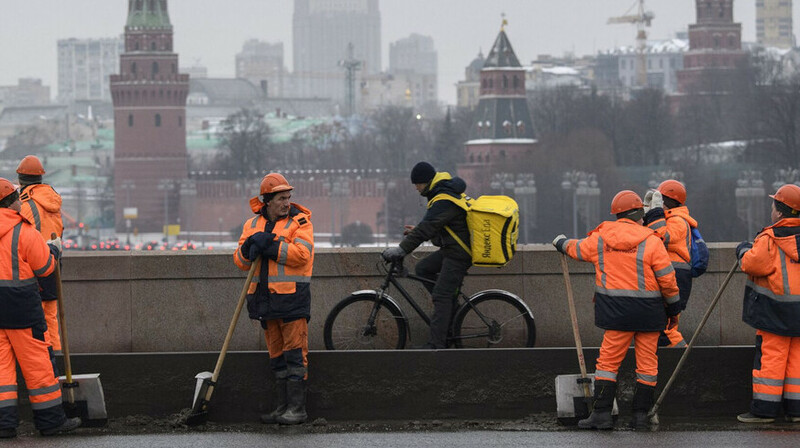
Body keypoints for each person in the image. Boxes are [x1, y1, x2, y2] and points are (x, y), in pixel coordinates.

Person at [553, 190, 681, 430]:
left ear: (617, 215)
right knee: (647, 365)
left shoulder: (602, 237)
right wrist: (673, 310)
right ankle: (641, 416)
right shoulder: (651, 240)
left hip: (616, 313)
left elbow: (577, 249)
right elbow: (668, 280)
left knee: (608, 363)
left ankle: (601, 414)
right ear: (638, 215)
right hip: (649, 314)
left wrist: (560, 242)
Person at [0, 178, 80, 438]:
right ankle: (50, 422)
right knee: (38, 365)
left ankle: (4, 425)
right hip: (22, 309)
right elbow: (45, 268)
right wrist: (53, 251)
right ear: (12, 202)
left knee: (1, 370)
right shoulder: (24, 231)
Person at [233, 173, 314, 425]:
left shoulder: (300, 222)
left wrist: (270, 245)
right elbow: (240, 262)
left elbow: (302, 255)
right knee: (277, 358)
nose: (286, 203)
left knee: (294, 356)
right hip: (265, 302)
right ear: (267, 200)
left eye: (288, 197)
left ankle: (297, 409)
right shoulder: (251, 226)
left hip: (291, 301)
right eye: (281, 198)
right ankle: (282, 408)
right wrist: (249, 248)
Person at [382, 161, 472, 349]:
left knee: (440, 295)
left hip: (459, 253)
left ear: (426, 181)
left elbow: (427, 228)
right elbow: (440, 226)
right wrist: (418, 231)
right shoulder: (442, 194)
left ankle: (436, 345)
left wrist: (401, 250)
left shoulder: (443, 198)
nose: (416, 188)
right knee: (423, 268)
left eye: (417, 184)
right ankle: (450, 308)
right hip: (452, 249)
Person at [735, 184, 800, 424]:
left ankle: (764, 410)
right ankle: (796, 411)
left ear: (780, 212)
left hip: (774, 312)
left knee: (771, 359)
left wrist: (742, 250)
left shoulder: (770, 239)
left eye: (774, 205)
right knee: (797, 361)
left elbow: (752, 264)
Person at [16, 155, 64, 361]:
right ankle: (58, 355)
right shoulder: (52, 199)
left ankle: (43, 358)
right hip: (54, 260)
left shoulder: (25, 203)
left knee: (34, 316)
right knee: (50, 314)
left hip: (34, 263)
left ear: (20, 179)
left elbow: (20, 235)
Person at [642, 179, 698, 348]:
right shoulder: (669, 219)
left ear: (667, 202)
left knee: (666, 329)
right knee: (662, 327)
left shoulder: (679, 221)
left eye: (660, 201)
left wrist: (656, 213)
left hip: (675, 278)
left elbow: (661, 236)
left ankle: (682, 359)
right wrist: (647, 213)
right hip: (669, 276)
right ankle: (677, 361)